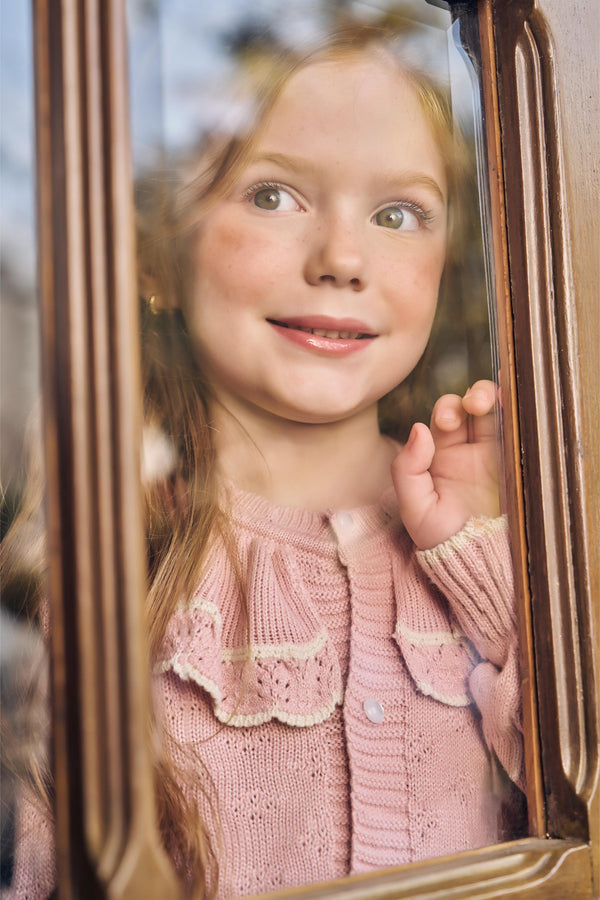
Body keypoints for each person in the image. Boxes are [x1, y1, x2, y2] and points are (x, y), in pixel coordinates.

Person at [5, 26, 525, 900]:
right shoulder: (100, 554)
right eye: (275, 195)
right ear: (157, 255)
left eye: (398, 214)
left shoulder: (497, 527)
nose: (342, 260)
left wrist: (481, 553)